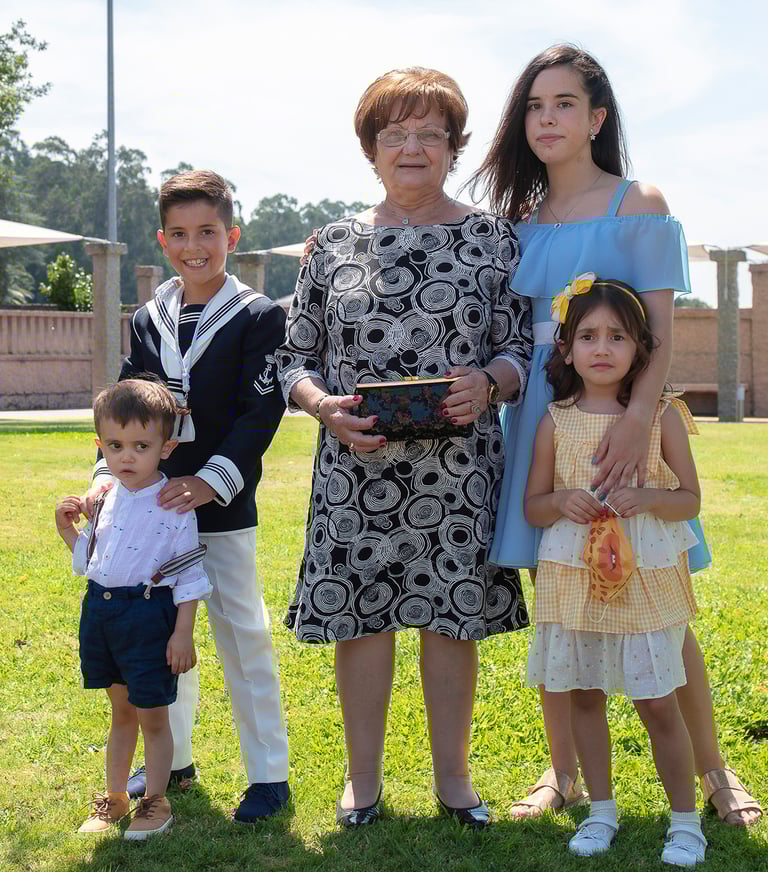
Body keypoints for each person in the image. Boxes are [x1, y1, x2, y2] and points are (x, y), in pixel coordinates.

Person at [470, 43, 762, 826]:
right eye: (535, 106)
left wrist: (638, 423)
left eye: (564, 104)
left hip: (624, 417)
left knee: (661, 597)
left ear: (597, 118)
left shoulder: (639, 202)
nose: (547, 119)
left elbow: (657, 334)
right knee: (559, 594)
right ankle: (563, 773)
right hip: (541, 417)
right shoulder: (520, 222)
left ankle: (714, 771)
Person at [276, 67, 532, 828]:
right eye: (395, 134)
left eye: (430, 134)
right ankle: (363, 782)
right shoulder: (332, 244)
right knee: (361, 620)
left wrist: (489, 381)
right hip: (356, 464)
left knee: (450, 619)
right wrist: (322, 406)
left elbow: (521, 346)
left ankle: (455, 781)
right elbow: (294, 358)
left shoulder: (493, 238)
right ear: (371, 148)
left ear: (454, 147)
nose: (412, 148)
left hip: (458, 468)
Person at [85, 170, 290, 822]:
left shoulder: (259, 316)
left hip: (220, 504)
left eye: (207, 232)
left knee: (240, 631)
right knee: (159, 634)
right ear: (162, 239)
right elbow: (127, 404)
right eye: (179, 234)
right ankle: (172, 759)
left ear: (232, 236)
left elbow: (260, 413)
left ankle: (268, 775)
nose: (193, 246)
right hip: (151, 507)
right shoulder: (149, 317)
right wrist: (103, 478)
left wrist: (211, 480)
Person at [525, 276, 706, 865]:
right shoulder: (554, 421)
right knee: (583, 695)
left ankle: (685, 821)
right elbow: (534, 507)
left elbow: (690, 501)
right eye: (587, 336)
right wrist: (562, 501)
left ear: (640, 348)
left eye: (617, 336)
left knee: (658, 702)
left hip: (643, 579)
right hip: (575, 576)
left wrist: (648, 498)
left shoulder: (660, 418)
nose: (601, 348)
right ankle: (601, 810)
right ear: (566, 348)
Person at [55, 379, 211, 839]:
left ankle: (155, 801)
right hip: (102, 614)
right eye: (116, 446)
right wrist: (67, 531)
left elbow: (188, 575)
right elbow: (93, 561)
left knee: (153, 716)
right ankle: (116, 797)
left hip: (148, 617)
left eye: (141, 446)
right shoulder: (104, 496)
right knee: (120, 711)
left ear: (166, 447)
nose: (127, 457)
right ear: (100, 446)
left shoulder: (173, 505)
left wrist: (182, 633)